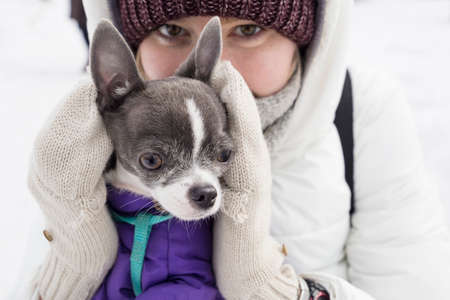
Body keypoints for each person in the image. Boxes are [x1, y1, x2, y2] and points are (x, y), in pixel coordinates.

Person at [27, 0, 450, 299]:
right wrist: (72, 270)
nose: (216, 66)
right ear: (131, 46)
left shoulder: (360, 112)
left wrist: (284, 293)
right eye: (172, 30)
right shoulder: (93, 135)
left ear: (308, 38)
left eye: (249, 30)